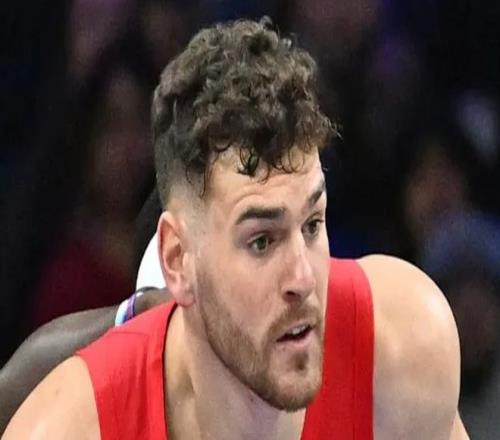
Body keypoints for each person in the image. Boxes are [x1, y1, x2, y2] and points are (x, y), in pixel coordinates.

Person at [3, 18, 468, 439]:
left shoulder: (402, 350)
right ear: (178, 262)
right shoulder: (71, 428)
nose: (303, 278)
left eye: (312, 224)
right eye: (261, 241)